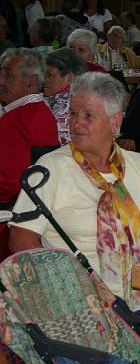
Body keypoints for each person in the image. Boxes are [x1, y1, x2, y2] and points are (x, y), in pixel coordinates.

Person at [8, 72, 140, 364]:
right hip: (85, 297)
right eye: (73, 114)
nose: (76, 122)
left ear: (116, 122)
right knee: (118, 356)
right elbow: (21, 241)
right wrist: (64, 290)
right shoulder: (50, 168)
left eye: (88, 115)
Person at [0, 48, 59, 260]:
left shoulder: (17, 119)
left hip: (12, 223)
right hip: (33, 215)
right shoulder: (39, 111)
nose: (1, 80)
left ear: (31, 81)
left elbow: (9, 183)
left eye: (8, 74)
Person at [44, 47, 87, 146]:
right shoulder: (91, 100)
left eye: (49, 75)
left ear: (70, 78)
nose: (44, 80)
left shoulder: (54, 105)